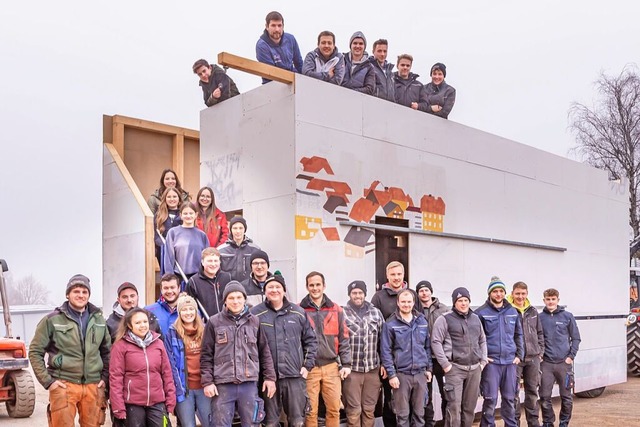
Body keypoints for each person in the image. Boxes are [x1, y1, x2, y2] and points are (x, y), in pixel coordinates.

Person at [29, 274, 110, 427]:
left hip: (93, 385)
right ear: (68, 294)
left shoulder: (99, 320)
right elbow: (35, 351)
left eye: (84, 292)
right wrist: (48, 382)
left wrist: (104, 378)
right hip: (64, 384)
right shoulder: (52, 320)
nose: (81, 295)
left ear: (89, 295)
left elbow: (107, 352)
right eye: (76, 291)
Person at [200, 281, 277, 426]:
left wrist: (270, 377)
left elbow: (264, 352)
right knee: (220, 423)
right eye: (231, 298)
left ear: (244, 299)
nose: (235, 301)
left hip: (248, 384)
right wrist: (207, 382)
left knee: (252, 423)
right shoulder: (214, 322)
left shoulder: (254, 321)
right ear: (225, 301)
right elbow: (206, 355)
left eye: (238, 297)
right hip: (222, 385)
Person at [251, 274, 318, 427]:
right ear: (265, 291)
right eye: (270, 287)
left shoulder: (298, 312)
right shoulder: (255, 314)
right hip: (268, 379)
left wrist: (307, 366)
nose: (274, 290)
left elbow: (311, 341)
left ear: (284, 290)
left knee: (297, 421)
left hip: (294, 377)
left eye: (278, 287)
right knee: (270, 422)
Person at [300, 271, 352, 427]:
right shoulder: (299, 310)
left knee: (334, 409)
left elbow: (344, 338)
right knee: (310, 411)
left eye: (318, 285)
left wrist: (347, 364)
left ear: (324, 286)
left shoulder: (336, 309)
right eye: (311, 285)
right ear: (307, 287)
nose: (315, 288)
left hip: (331, 367)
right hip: (310, 368)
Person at [431, 287, 487, 427]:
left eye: (466, 300)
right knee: (454, 407)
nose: (463, 303)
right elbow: (435, 341)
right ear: (454, 302)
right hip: (455, 369)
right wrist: (445, 364)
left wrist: (483, 360)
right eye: (460, 300)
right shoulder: (444, 319)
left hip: (475, 369)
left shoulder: (475, 318)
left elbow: (482, 340)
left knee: (469, 407)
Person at [109, 308, 176, 425]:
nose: (142, 325)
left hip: (157, 402)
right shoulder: (120, 346)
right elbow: (116, 378)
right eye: (138, 323)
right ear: (129, 325)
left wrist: (170, 399)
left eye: (145, 322)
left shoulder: (158, 343)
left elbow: (167, 373)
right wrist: (118, 407)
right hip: (133, 404)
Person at [476, 276, 524, 427]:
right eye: (495, 291)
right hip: (492, 363)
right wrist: (483, 357)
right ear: (490, 293)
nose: (498, 294)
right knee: (490, 399)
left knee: (510, 398)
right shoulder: (481, 313)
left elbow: (519, 334)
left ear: (505, 293)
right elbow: (476, 339)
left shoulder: (513, 312)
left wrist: (519, 355)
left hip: (510, 362)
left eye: (501, 291)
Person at [381, 289, 433, 427]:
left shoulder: (422, 321)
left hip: (421, 374)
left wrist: (429, 369)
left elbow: (427, 347)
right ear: (398, 303)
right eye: (403, 302)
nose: (406, 304)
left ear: (414, 302)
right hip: (401, 376)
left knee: (419, 414)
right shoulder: (390, 324)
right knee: (402, 416)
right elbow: (386, 351)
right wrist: (392, 375)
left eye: (409, 301)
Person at [371, 260, 409, 426]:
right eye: (393, 274)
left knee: (412, 403)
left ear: (403, 274)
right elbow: (375, 333)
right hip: (390, 361)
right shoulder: (378, 298)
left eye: (399, 274)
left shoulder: (410, 295)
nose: (396, 278)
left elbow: (421, 328)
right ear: (387, 276)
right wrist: (382, 361)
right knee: (390, 402)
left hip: (410, 361)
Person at [342, 280, 384, 427]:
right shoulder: (342, 313)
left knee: (369, 409)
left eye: (360, 292)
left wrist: (384, 364)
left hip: (372, 369)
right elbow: (338, 341)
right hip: (352, 370)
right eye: (354, 293)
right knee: (353, 410)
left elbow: (383, 341)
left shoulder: (376, 312)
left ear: (365, 294)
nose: (357, 296)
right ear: (349, 294)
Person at [166, 296, 211, 427]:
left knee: (210, 423)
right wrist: (176, 388)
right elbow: (170, 363)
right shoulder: (172, 333)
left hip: (204, 387)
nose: (188, 312)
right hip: (184, 389)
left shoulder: (207, 329)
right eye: (184, 310)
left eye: (191, 309)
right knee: (187, 424)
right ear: (179, 312)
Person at [539, 288, 581, 427]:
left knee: (566, 397)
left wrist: (571, 356)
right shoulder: (540, 318)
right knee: (545, 397)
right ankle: (548, 422)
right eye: (548, 299)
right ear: (544, 300)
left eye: (553, 299)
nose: (551, 302)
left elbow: (576, 338)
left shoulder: (567, 316)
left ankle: (564, 423)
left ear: (558, 300)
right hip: (546, 364)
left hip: (564, 363)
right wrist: (540, 356)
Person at [507, 281, 544, 427]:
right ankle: (514, 423)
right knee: (513, 393)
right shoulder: (508, 310)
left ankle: (533, 423)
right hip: (515, 359)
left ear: (527, 294)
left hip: (533, 358)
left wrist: (540, 352)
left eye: (523, 294)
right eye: (517, 293)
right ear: (512, 294)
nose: (520, 297)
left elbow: (539, 332)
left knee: (532, 392)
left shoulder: (533, 311)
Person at [416, 280, 448, 427]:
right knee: (425, 396)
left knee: (446, 394)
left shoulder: (443, 309)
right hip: (424, 359)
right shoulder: (415, 310)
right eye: (421, 291)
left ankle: (447, 422)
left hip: (441, 358)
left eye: (426, 290)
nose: (424, 293)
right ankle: (428, 423)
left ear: (431, 291)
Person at [163, 202, 209, 278]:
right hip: (179, 276)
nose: (188, 216)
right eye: (185, 213)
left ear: (196, 215)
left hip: (198, 277)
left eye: (191, 213)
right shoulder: (172, 233)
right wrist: (170, 277)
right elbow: (169, 257)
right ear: (181, 215)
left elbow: (207, 257)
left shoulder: (202, 235)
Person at [256, 11, 303, 84]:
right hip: (272, 84)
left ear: (283, 26)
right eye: (273, 25)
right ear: (267, 26)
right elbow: (271, 73)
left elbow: (299, 64)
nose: (277, 29)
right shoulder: (261, 45)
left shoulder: (290, 39)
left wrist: (303, 81)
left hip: (293, 81)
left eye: (279, 25)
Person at [186, 247, 232, 319]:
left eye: (216, 261)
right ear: (202, 262)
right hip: (206, 324)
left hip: (226, 322)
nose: (213, 264)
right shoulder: (193, 282)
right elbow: (190, 306)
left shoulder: (227, 277)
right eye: (210, 261)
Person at [218, 216, 261, 282]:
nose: (238, 231)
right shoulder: (220, 250)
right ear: (230, 230)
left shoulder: (255, 249)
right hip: (228, 287)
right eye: (235, 228)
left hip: (249, 289)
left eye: (241, 228)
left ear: (245, 229)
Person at [154, 187, 183, 266]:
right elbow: (156, 236)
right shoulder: (159, 215)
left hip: (180, 251)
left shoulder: (184, 214)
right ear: (165, 199)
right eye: (169, 197)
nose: (172, 199)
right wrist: (165, 246)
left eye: (174, 196)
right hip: (163, 251)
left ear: (179, 199)